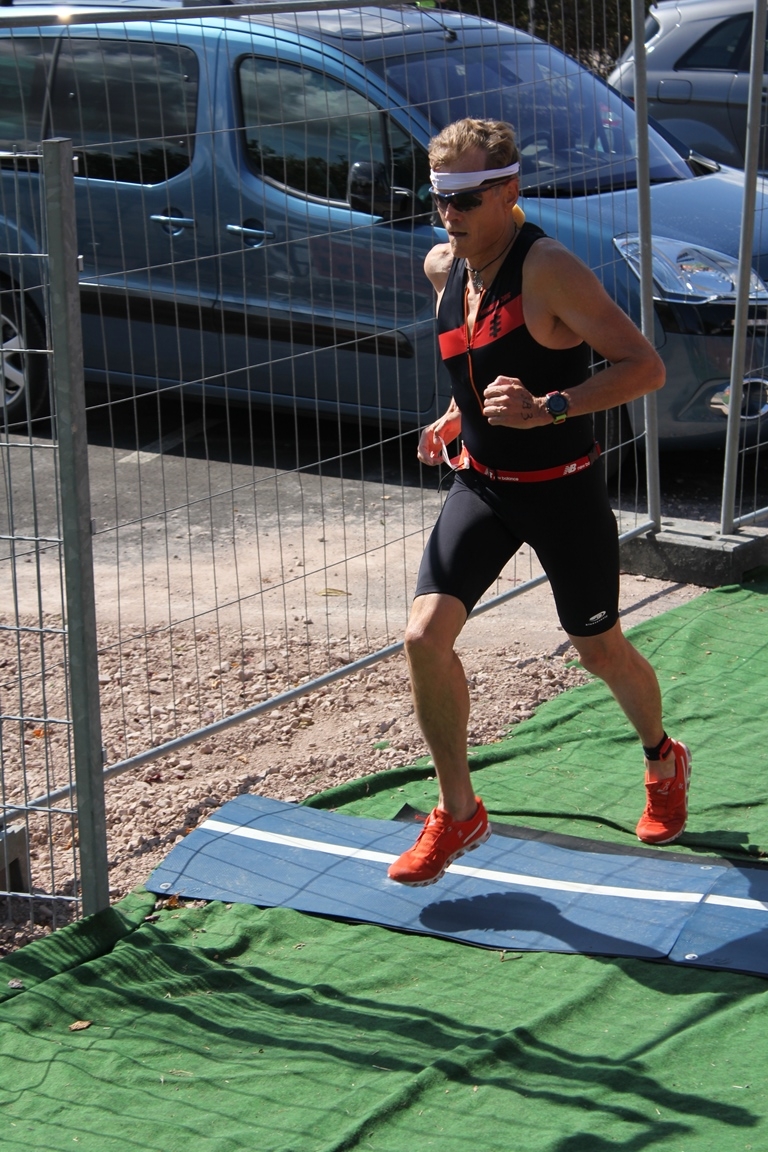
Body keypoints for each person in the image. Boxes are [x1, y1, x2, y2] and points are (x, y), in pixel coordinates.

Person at [387, 117, 691, 888]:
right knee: (423, 637)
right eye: (439, 197)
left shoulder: (550, 269)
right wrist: (455, 416)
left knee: (599, 650)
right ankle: (459, 811)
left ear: (509, 190)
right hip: (484, 485)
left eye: (466, 198)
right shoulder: (444, 266)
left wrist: (551, 407)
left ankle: (662, 758)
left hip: (561, 490)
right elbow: (477, 363)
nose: (449, 214)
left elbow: (644, 367)